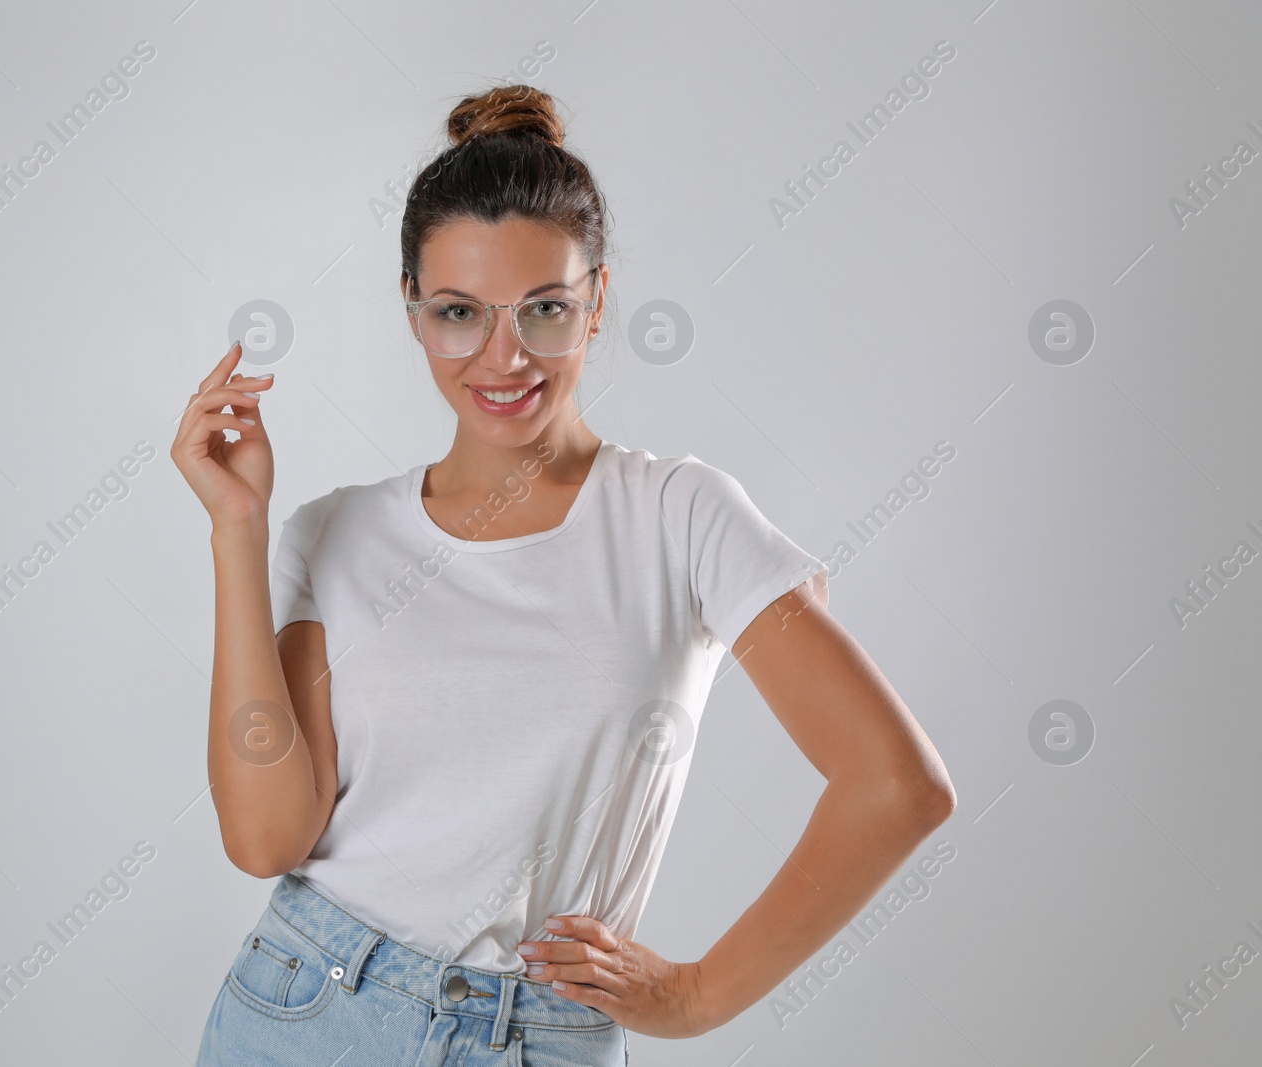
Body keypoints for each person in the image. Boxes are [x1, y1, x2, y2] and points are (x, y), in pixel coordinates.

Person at [174, 83, 955, 1066]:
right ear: (411, 309)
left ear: (595, 301)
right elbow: (266, 838)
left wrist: (697, 992)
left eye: (544, 308)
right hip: (306, 1010)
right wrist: (237, 530)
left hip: (533, 1037)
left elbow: (897, 784)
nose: (503, 356)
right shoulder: (336, 532)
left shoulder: (679, 515)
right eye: (459, 311)